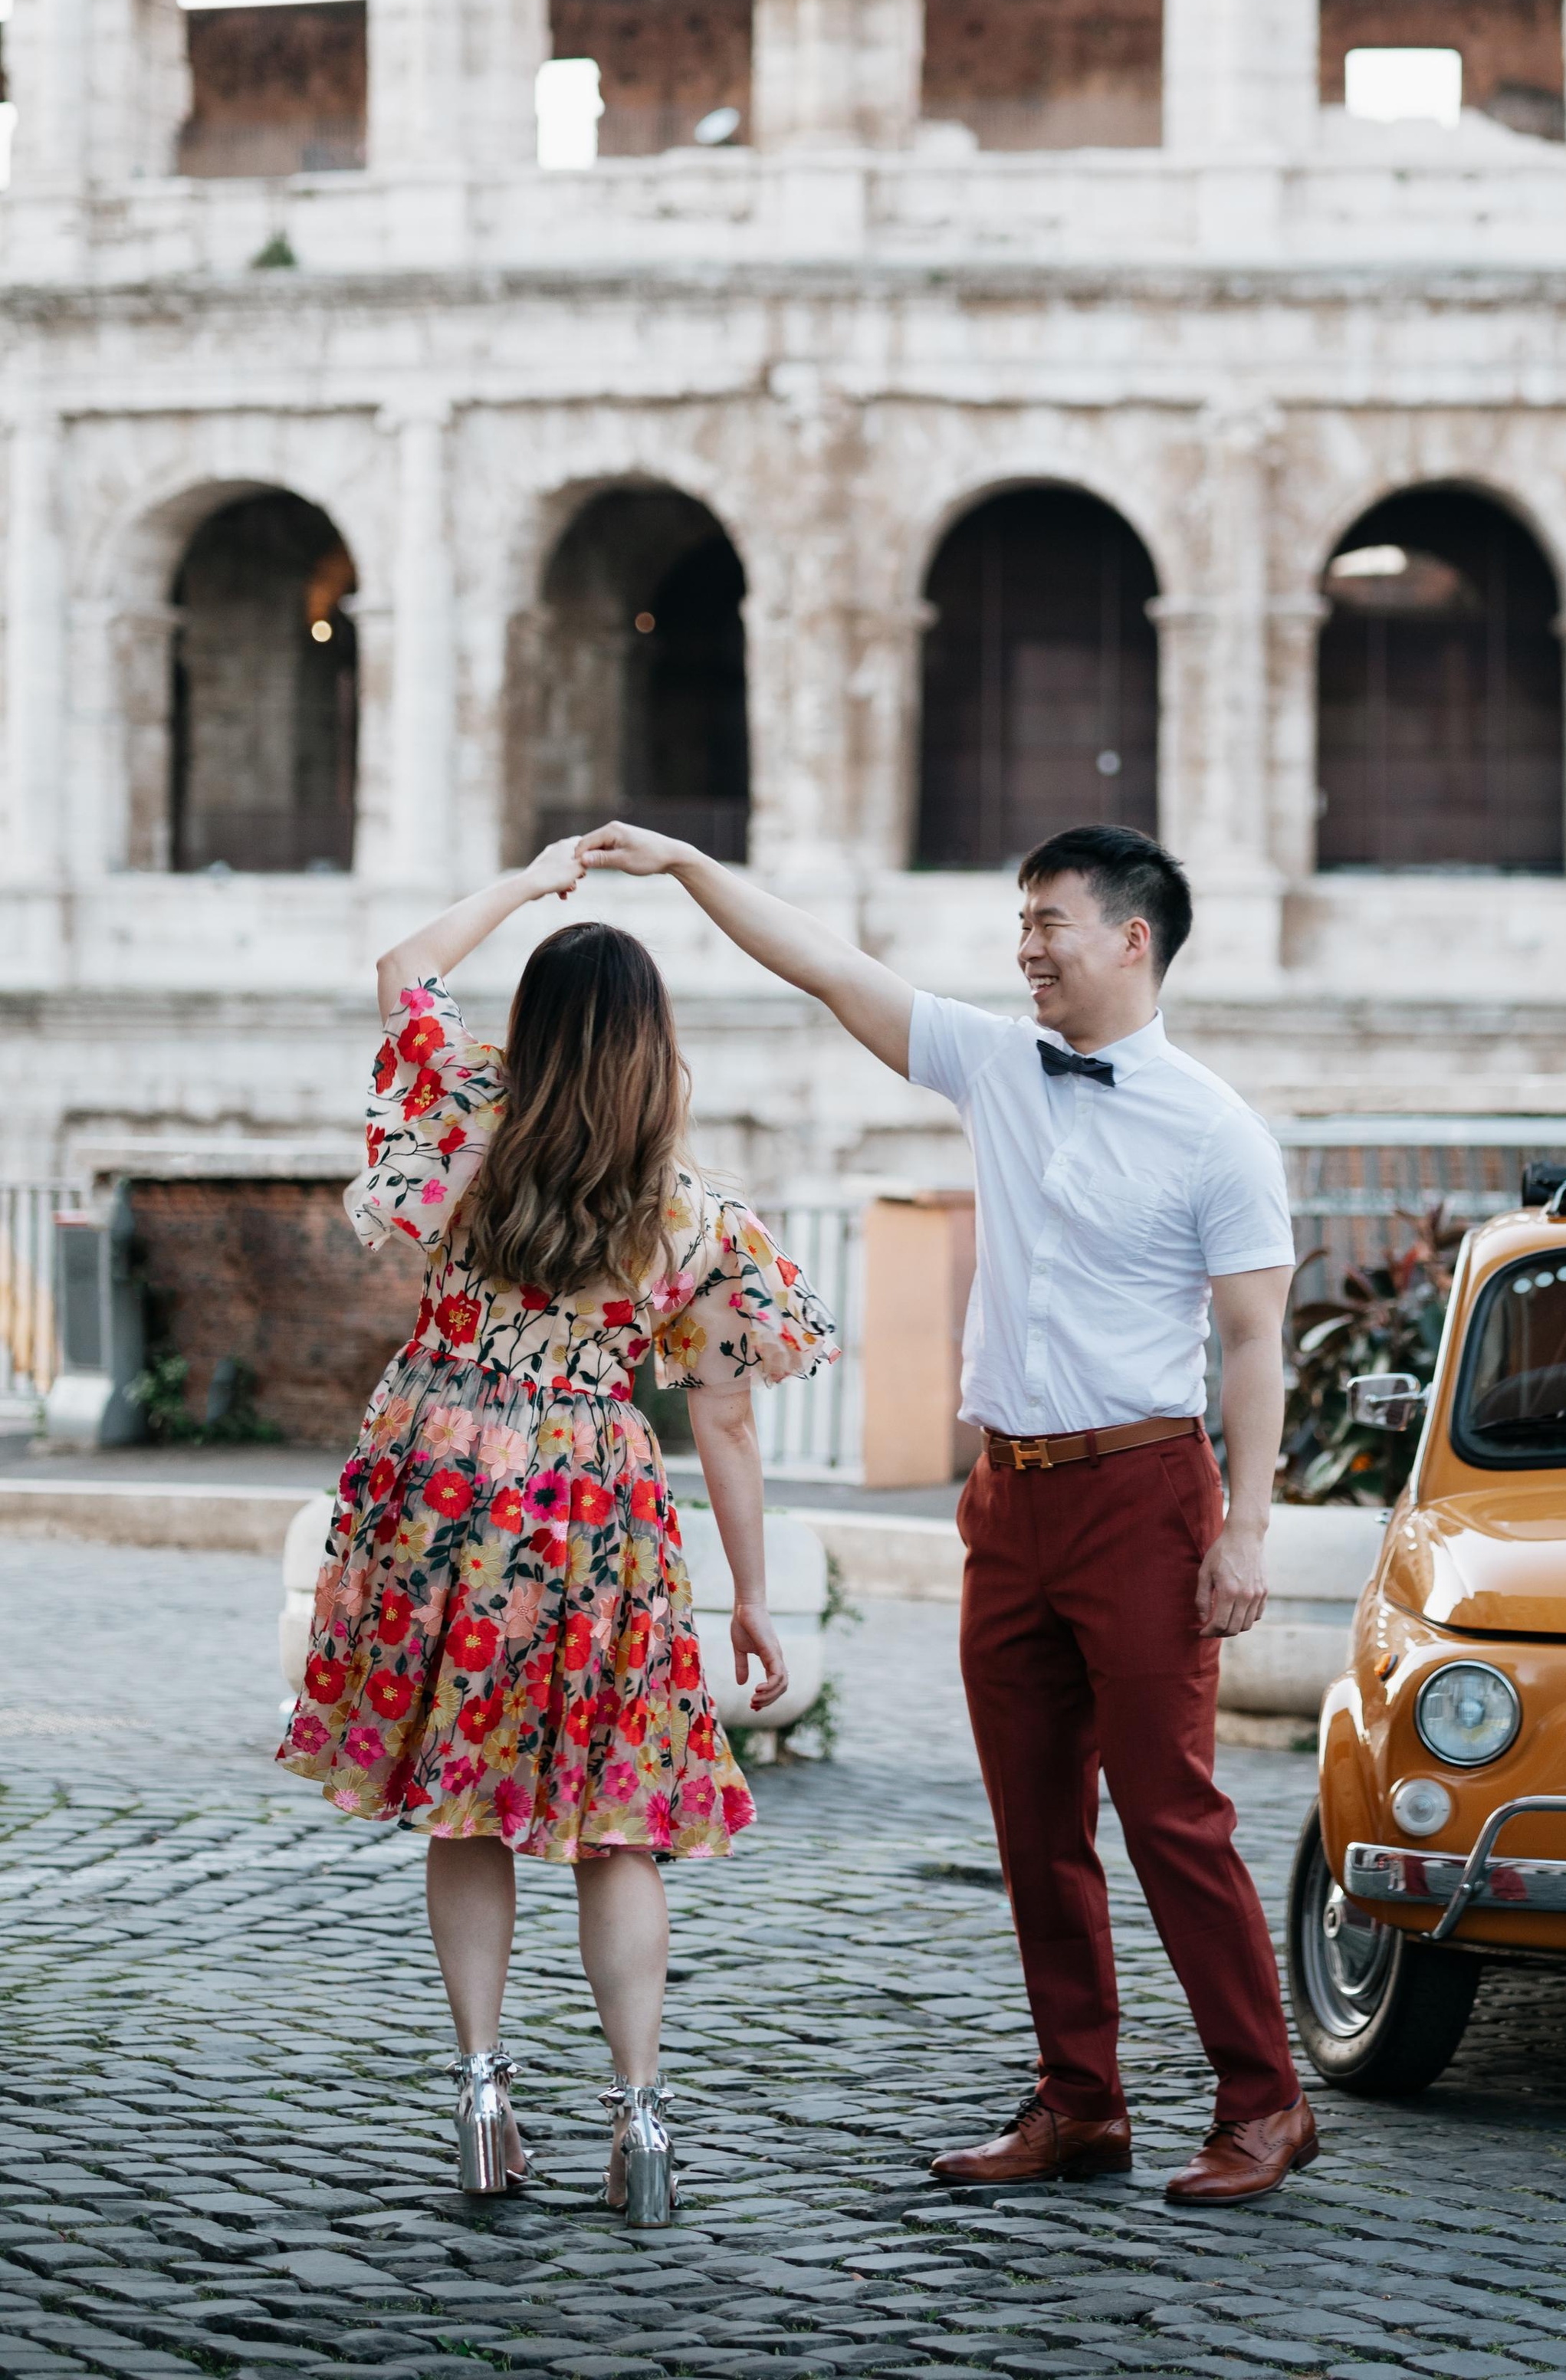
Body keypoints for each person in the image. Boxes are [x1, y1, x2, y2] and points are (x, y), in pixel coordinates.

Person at [575, 816, 1316, 2206]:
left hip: (1149, 1491)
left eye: (1051, 923)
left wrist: (1249, 1526)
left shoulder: (1218, 1129)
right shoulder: (993, 1060)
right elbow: (827, 967)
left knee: (1173, 1816)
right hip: (1010, 1500)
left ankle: (1265, 2105)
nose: (1025, 948)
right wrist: (687, 868)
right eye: (1020, 923)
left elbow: (1256, 1343)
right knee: (1033, 1824)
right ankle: (1080, 2105)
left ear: (1133, 939)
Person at [275, 843, 837, 2222]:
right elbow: (727, 1425)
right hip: (596, 1500)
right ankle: (640, 2123)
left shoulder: (472, 1117)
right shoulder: (696, 1215)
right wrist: (749, 1597)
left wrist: (530, 883)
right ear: (657, 1050)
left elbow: (405, 967)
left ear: (531, 1029)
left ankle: (480, 2095)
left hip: (443, 1475)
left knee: (464, 1797)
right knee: (617, 1821)